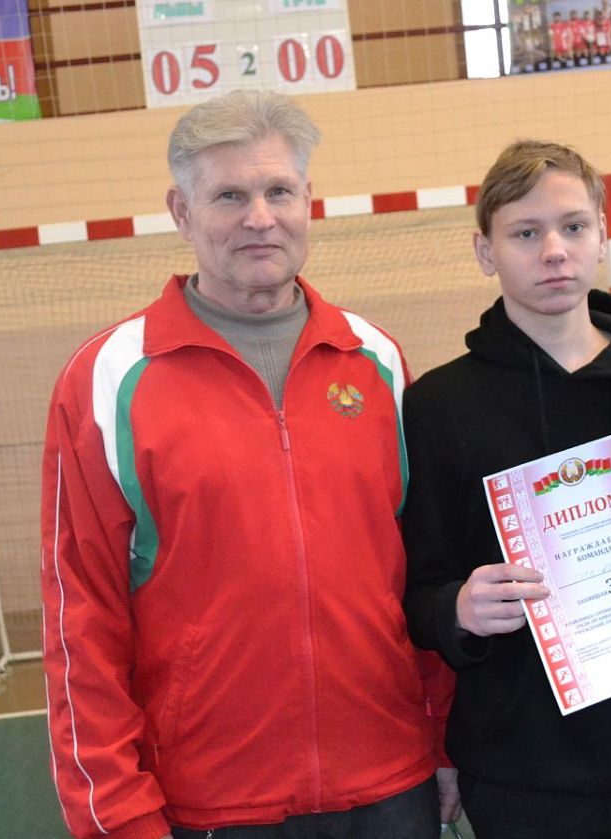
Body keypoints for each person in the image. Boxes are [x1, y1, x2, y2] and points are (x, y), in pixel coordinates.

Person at [41, 89, 458, 839]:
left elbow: (423, 570)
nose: (259, 217)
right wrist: (114, 812)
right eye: (229, 195)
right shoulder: (106, 378)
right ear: (182, 211)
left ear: (308, 202)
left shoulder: (377, 362)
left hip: (392, 783)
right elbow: (81, 615)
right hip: (210, 800)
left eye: (278, 191)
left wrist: (448, 742)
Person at [401, 140, 611, 839]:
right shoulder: (437, 405)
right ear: (486, 251)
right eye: (526, 233)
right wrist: (459, 608)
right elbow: (419, 594)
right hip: (524, 777)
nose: (554, 250)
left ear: (601, 236)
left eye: (573, 226)